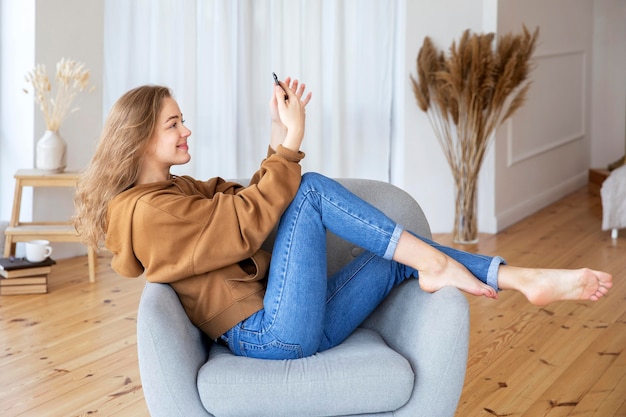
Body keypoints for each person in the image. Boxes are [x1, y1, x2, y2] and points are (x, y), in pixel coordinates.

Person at [74, 79, 613, 360]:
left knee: (398, 258)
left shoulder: (168, 190)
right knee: (308, 191)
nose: (186, 130)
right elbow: (245, 223)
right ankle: (439, 263)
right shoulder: (146, 213)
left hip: (297, 323)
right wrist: (293, 141)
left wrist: (276, 132)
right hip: (269, 336)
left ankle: (520, 278)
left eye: (183, 120)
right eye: (174, 124)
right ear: (142, 138)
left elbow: (244, 199)